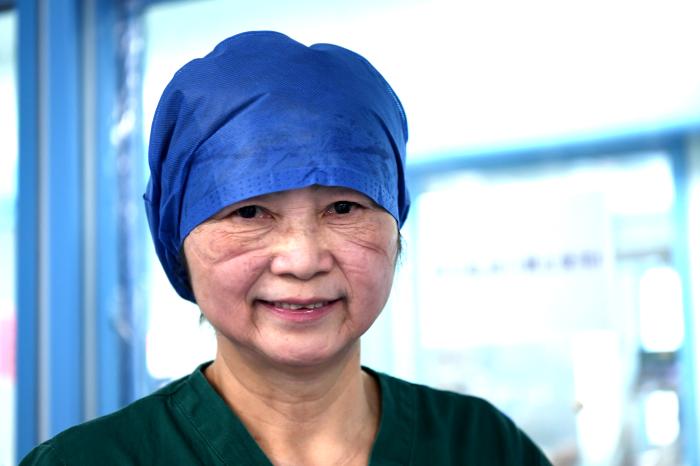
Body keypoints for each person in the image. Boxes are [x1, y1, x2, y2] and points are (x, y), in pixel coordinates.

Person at [21, 31, 552, 465]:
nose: (303, 260)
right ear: (176, 242)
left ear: (396, 230)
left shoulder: (483, 446)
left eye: (343, 207)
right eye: (250, 212)